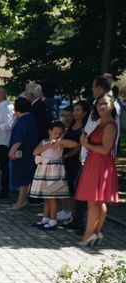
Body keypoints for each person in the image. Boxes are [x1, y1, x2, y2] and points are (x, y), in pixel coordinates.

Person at [76, 92, 119, 247]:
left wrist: (85, 144)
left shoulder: (110, 125)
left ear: (112, 105)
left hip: (101, 163)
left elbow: (105, 149)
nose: (101, 106)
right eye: (99, 103)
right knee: (97, 201)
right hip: (94, 162)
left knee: (94, 201)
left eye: (105, 103)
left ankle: (89, 235)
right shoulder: (99, 122)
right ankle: (95, 232)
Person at [29, 121, 79, 229]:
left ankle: (53, 221)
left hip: (55, 172)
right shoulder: (44, 142)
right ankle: (45, 219)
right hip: (44, 171)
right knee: (46, 197)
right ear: (49, 131)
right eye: (55, 133)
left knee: (52, 197)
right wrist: (49, 144)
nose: (56, 135)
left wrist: (60, 141)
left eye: (59, 133)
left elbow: (74, 144)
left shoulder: (60, 143)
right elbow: (35, 152)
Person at [57, 101, 89, 227]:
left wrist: (67, 155)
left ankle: (77, 216)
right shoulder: (71, 126)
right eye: (74, 110)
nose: (75, 113)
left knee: (75, 188)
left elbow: (80, 146)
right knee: (68, 188)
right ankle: (71, 214)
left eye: (78, 110)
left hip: (76, 160)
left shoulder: (84, 127)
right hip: (67, 160)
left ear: (84, 112)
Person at [8, 97, 40, 210]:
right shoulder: (31, 119)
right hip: (30, 151)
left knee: (22, 177)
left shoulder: (23, 120)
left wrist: (11, 151)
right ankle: (23, 199)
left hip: (22, 153)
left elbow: (19, 138)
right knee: (26, 177)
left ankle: (20, 201)